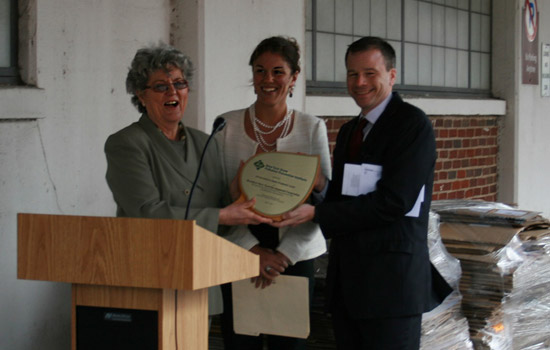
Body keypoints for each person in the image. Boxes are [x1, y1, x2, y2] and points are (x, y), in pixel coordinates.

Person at [273, 36, 452, 349]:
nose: (360, 82)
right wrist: (320, 187)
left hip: (391, 288)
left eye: (370, 73)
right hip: (350, 286)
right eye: (352, 74)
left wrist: (318, 213)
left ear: (391, 76)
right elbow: (345, 199)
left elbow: (394, 202)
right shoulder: (350, 131)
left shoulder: (412, 125)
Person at [104, 43, 271, 319]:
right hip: (150, 280)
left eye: (180, 83)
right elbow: (147, 213)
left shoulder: (205, 141)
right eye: (160, 86)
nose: (173, 92)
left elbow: (220, 210)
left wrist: (237, 194)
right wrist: (222, 215)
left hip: (198, 279)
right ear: (140, 95)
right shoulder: (127, 144)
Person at [216, 36, 332, 350]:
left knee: (289, 344)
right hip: (239, 249)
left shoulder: (312, 128)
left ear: (294, 78)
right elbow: (215, 200)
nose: (268, 79)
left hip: (294, 254)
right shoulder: (224, 126)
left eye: (278, 72)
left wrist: (283, 256)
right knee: (240, 340)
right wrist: (250, 250)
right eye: (260, 70)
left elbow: (324, 201)